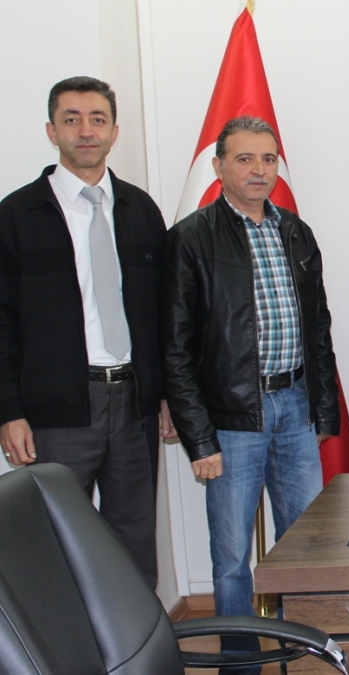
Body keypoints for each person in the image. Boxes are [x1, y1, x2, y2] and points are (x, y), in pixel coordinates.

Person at [161, 116, 339, 673]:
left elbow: (319, 329)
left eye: (268, 159)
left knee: (305, 546)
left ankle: (301, 656)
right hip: (232, 419)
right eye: (244, 159)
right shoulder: (191, 238)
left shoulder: (296, 232)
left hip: (296, 407)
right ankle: (241, 664)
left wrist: (324, 412)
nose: (259, 170)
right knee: (233, 557)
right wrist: (199, 438)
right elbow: (175, 348)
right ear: (218, 168)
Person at [0, 76, 171, 587]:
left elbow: (164, 314)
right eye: (71, 119)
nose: (86, 131)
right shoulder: (16, 216)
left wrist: (166, 394)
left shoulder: (140, 210)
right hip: (57, 411)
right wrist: (8, 411)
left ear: (114, 132)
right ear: (51, 131)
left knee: (134, 541)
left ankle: (139, 639)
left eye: (98, 120)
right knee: (56, 543)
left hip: (135, 404)